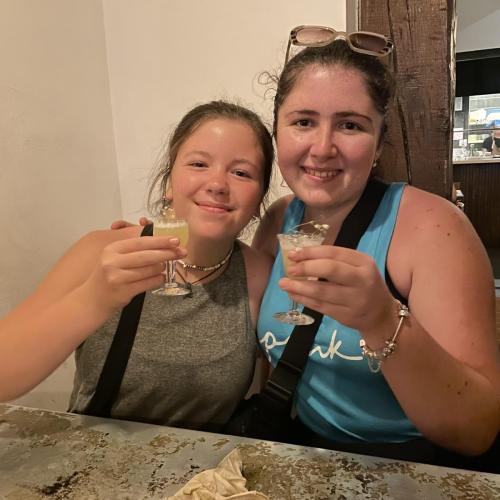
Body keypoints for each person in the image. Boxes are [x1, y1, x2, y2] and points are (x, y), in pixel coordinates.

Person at [253, 27, 499, 464]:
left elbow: (477, 430)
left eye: (350, 125)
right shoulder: (279, 219)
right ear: (277, 132)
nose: (322, 147)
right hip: (305, 458)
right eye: (303, 122)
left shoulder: (435, 229)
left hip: (414, 465)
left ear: (379, 143)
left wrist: (383, 319)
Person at [0, 100, 274, 432]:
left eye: (241, 172)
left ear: (259, 200)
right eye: (199, 164)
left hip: (207, 478)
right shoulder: (104, 252)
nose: (217, 184)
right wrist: (95, 298)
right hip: (93, 468)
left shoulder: (259, 276)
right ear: (170, 185)